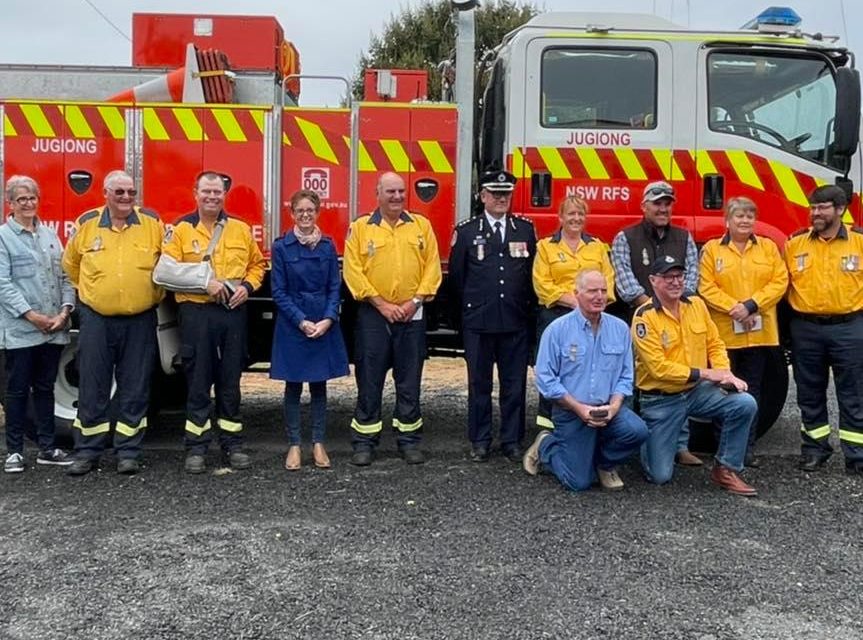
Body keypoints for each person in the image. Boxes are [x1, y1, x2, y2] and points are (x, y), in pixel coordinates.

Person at [160, 171, 266, 474]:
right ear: (195, 193)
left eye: (217, 192)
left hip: (232, 313)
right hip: (196, 313)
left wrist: (247, 288)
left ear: (224, 195)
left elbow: (257, 265)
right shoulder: (180, 230)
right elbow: (165, 271)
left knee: (230, 381)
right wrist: (204, 282)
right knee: (198, 380)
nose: (211, 197)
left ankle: (232, 444)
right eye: (206, 191)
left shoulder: (240, 230)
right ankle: (196, 448)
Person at [62, 170, 164, 476]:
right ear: (105, 193)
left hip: (140, 318)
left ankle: (128, 452)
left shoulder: (152, 225)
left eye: (131, 193)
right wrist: (94, 293)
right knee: (93, 385)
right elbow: (71, 264)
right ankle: (87, 452)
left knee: (135, 386)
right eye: (119, 192)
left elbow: (167, 263)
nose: (126, 199)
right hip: (97, 319)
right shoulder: (87, 224)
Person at [632, 255, 758, 496]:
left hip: (695, 392)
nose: (675, 282)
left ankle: (726, 468)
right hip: (661, 399)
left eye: (679, 276)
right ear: (653, 280)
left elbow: (715, 343)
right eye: (668, 277)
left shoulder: (696, 304)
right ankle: (652, 443)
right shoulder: (644, 317)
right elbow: (658, 368)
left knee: (744, 403)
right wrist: (707, 373)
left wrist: (725, 373)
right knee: (659, 476)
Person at [343, 171, 442, 466]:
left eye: (401, 191)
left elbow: (432, 269)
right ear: (378, 194)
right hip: (373, 314)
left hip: (412, 313)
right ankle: (364, 442)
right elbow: (353, 271)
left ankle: (409, 441)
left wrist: (414, 301)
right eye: (391, 192)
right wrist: (382, 304)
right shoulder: (361, 228)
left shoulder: (421, 226)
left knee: (409, 381)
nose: (397, 197)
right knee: (369, 380)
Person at [524, 270, 648, 491]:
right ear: (576, 294)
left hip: (608, 409)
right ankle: (546, 447)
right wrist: (578, 408)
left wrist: (614, 406)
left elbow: (626, 376)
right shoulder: (557, 330)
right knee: (578, 482)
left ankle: (604, 465)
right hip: (571, 412)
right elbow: (545, 379)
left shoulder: (619, 329)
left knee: (637, 431)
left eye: (603, 290)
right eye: (592, 291)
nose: (599, 296)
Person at [611, 180, 702, 466]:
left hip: (678, 321)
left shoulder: (684, 238)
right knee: (629, 380)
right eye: (657, 203)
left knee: (680, 380)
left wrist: (671, 309)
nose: (663, 209)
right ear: (644, 206)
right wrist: (652, 310)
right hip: (637, 320)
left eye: (667, 204)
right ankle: (627, 440)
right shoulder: (625, 237)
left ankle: (680, 445)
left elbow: (692, 280)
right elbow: (624, 280)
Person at [449, 170, 536, 462]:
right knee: (479, 385)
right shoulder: (466, 231)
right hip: (480, 321)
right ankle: (481, 440)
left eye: (506, 194)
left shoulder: (525, 230)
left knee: (514, 386)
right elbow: (458, 279)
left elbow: (530, 278)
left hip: (514, 320)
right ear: (483, 196)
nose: (501, 199)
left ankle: (511, 440)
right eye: (495, 194)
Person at [699, 197, 788, 467]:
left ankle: (746, 449)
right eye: (739, 215)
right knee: (723, 390)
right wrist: (734, 308)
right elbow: (706, 285)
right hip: (725, 333)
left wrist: (751, 306)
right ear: (728, 220)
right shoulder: (713, 250)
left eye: (750, 215)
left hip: (759, 333)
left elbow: (780, 280)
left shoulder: (769, 248)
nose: (745, 220)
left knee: (753, 391)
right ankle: (721, 447)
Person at [784, 185, 863, 474]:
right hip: (806, 329)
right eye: (812, 207)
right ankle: (815, 450)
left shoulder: (859, 243)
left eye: (822, 207)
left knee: (854, 393)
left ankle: (856, 456)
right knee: (809, 392)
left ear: (840, 210)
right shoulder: (795, 245)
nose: (815, 213)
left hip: (850, 327)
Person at [0, 176, 75, 473]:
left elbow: (66, 275)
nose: (28, 203)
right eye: (21, 199)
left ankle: (47, 448)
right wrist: (32, 315)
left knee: (45, 388)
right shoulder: (4, 237)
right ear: (10, 203)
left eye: (32, 198)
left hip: (54, 328)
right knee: (17, 390)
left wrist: (65, 311)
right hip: (22, 330)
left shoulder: (50, 237)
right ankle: (15, 452)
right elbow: (3, 284)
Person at [270, 190, 349, 471]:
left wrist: (328, 319)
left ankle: (318, 443)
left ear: (317, 213)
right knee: (292, 386)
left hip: (322, 323)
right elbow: (278, 291)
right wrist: (301, 320)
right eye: (300, 211)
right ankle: (294, 445)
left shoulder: (327, 246)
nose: (305, 215)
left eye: (310, 210)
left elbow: (334, 288)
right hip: (294, 324)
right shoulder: (281, 247)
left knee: (319, 385)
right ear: (292, 214)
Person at [532, 195, 616, 431]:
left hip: (591, 319)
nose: (576, 218)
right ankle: (547, 429)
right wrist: (576, 301)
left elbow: (608, 283)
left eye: (580, 214)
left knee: (585, 368)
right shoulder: (546, 247)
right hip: (556, 316)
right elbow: (542, 284)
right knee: (552, 370)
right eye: (571, 214)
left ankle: (585, 421)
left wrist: (588, 303)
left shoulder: (598, 247)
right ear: (560, 217)